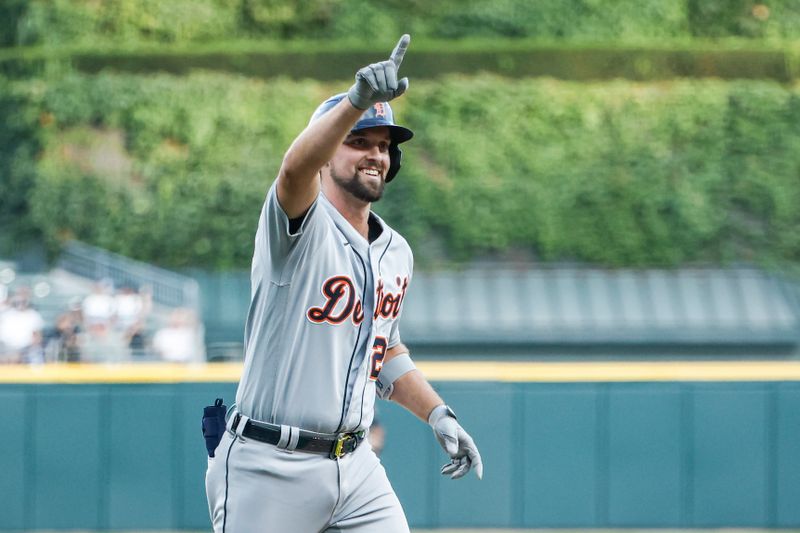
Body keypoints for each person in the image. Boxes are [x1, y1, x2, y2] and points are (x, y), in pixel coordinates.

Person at [205, 35, 482, 533]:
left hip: (355, 466)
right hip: (271, 462)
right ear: (329, 150)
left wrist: (438, 413)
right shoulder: (297, 226)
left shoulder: (396, 251)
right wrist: (353, 103)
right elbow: (293, 169)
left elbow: (385, 349)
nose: (375, 154)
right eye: (358, 141)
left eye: (383, 145)